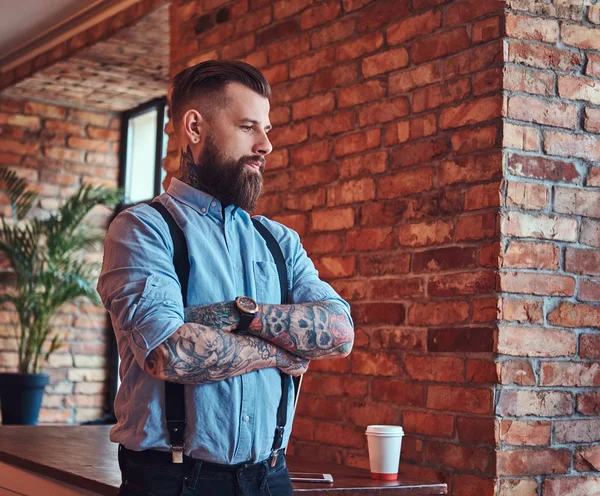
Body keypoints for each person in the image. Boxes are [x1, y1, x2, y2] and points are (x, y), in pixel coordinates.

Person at [97, 60, 354, 496]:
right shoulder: (143, 229)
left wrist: (235, 317)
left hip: (271, 478)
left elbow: (340, 331)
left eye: (267, 129)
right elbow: (169, 352)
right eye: (248, 127)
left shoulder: (279, 240)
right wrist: (278, 351)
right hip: (172, 481)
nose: (266, 145)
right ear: (194, 128)